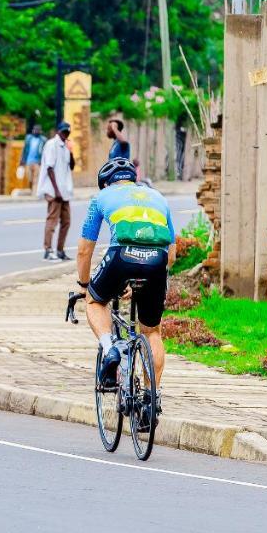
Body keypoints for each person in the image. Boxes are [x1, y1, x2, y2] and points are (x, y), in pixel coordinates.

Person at [75, 157, 176, 433]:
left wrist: (84, 285)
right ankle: (150, 400)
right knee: (152, 332)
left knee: (95, 300)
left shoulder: (101, 197)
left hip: (121, 255)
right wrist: (143, 278)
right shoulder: (158, 197)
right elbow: (172, 254)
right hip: (157, 260)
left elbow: (85, 250)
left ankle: (109, 350)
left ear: (106, 182)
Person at [38, 121, 73, 261]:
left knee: (66, 221)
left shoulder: (65, 146)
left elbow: (71, 166)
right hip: (54, 190)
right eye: (64, 131)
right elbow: (49, 168)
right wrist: (56, 190)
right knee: (52, 221)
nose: (66, 134)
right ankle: (48, 250)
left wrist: (71, 150)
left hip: (64, 191)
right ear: (58, 131)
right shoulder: (52, 145)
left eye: (68, 132)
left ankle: (60, 250)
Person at [22, 123, 45, 195]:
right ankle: (31, 189)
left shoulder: (43, 140)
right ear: (32, 130)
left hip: (37, 162)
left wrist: (42, 161)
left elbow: (44, 152)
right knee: (29, 177)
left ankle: (34, 192)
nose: (36, 131)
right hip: (28, 161)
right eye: (35, 130)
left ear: (40, 131)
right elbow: (25, 150)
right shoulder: (28, 138)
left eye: (38, 130)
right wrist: (22, 161)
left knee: (36, 177)